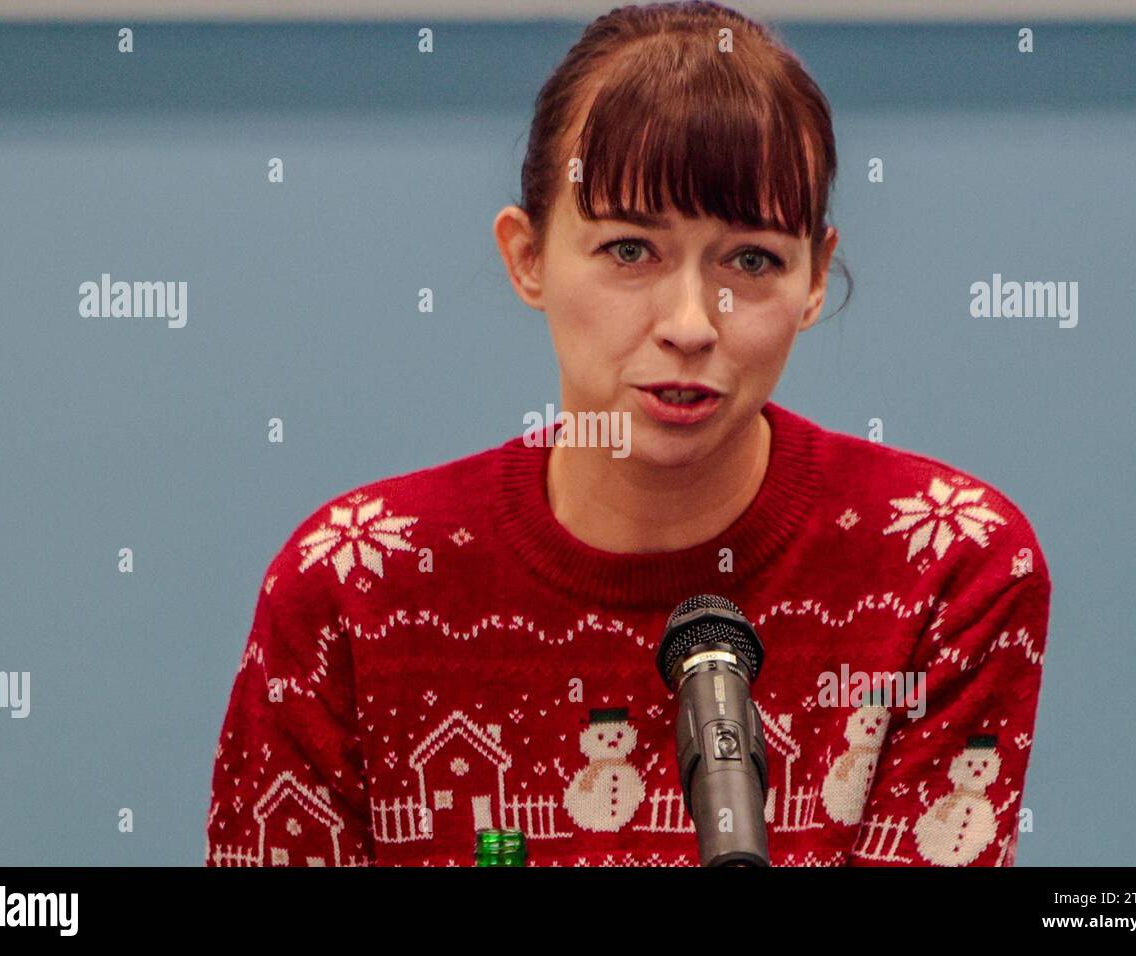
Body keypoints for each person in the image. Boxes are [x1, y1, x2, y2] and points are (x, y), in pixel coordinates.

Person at [205, 0, 1051, 867]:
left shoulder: (949, 565)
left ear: (814, 278)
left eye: (750, 259)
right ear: (526, 255)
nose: (690, 322)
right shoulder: (353, 585)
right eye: (629, 250)